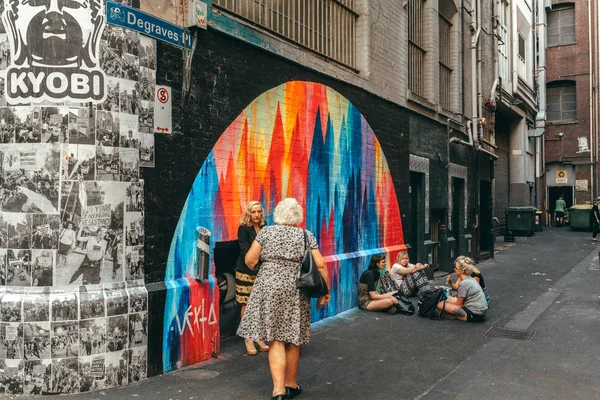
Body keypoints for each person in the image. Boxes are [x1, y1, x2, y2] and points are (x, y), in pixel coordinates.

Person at [237, 198, 330, 400]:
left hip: (268, 287)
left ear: (278, 215)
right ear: (298, 217)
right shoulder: (306, 235)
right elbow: (320, 265)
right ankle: (291, 385)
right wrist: (325, 290)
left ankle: (278, 391)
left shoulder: (266, 232)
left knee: (276, 339)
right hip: (296, 289)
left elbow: (250, 261)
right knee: (292, 340)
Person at [235, 201, 269, 355]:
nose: (256, 215)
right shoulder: (243, 229)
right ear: (248, 213)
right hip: (246, 271)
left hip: (261, 270)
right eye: (253, 212)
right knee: (246, 304)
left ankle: (258, 337)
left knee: (259, 304)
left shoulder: (264, 227)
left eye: (259, 211)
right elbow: (245, 251)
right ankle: (248, 338)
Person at [437, 256, 488, 322]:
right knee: (449, 300)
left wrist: (447, 302)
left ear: (462, 271)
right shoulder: (470, 278)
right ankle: (457, 315)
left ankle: (460, 316)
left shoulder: (464, 283)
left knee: (440, 304)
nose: (454, 269)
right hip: (481, 312)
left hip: (474, 314)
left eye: (456, 268)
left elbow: (459, 304)